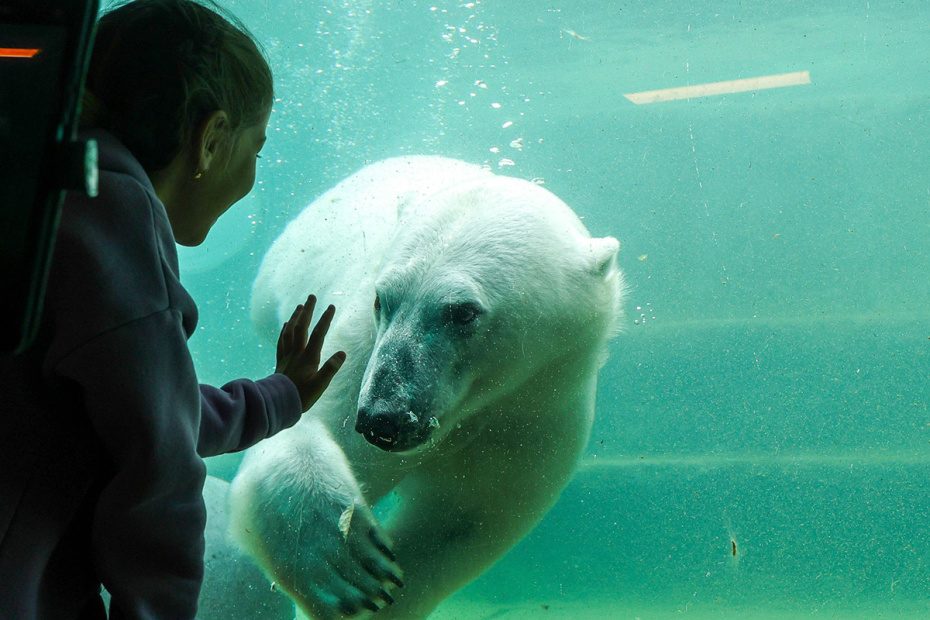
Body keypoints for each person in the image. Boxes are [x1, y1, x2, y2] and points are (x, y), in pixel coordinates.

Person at [0, 1, 355, 618]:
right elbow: (157, 471)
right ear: (211, 139)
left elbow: (137, 408)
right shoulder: (113, 223)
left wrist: (279, 396)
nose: (251, 175)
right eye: (256, 149)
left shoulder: (45, 189)